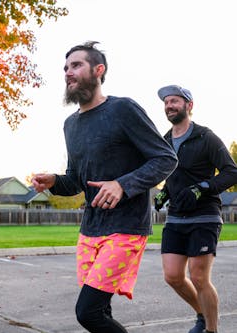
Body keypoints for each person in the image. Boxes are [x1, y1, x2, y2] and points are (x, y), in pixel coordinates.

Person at [31, 41, 178, 333]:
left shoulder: (123, 109)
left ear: (99, 70)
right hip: (90, 230)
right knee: (102, 311)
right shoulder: (70, 125)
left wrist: (123, 185)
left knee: (88, 313)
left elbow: (165, 158)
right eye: (65, 68)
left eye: (76, 65)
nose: (68, 73)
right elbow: (76, 180)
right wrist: (55, 182)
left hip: (125, 227)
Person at [154, 85, 237, 333]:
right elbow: (173, 175)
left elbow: (231, 172)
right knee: (173, 276)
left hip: (205, 216)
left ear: (189, 105)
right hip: (177, 217)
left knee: (199, 277)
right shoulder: (164, 141)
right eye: (167, 102)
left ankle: (211, 329)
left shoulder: (205, 137)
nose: (170, 105)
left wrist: (202, 187)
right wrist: (165, 192)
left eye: (175, 101)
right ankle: (202, 314)